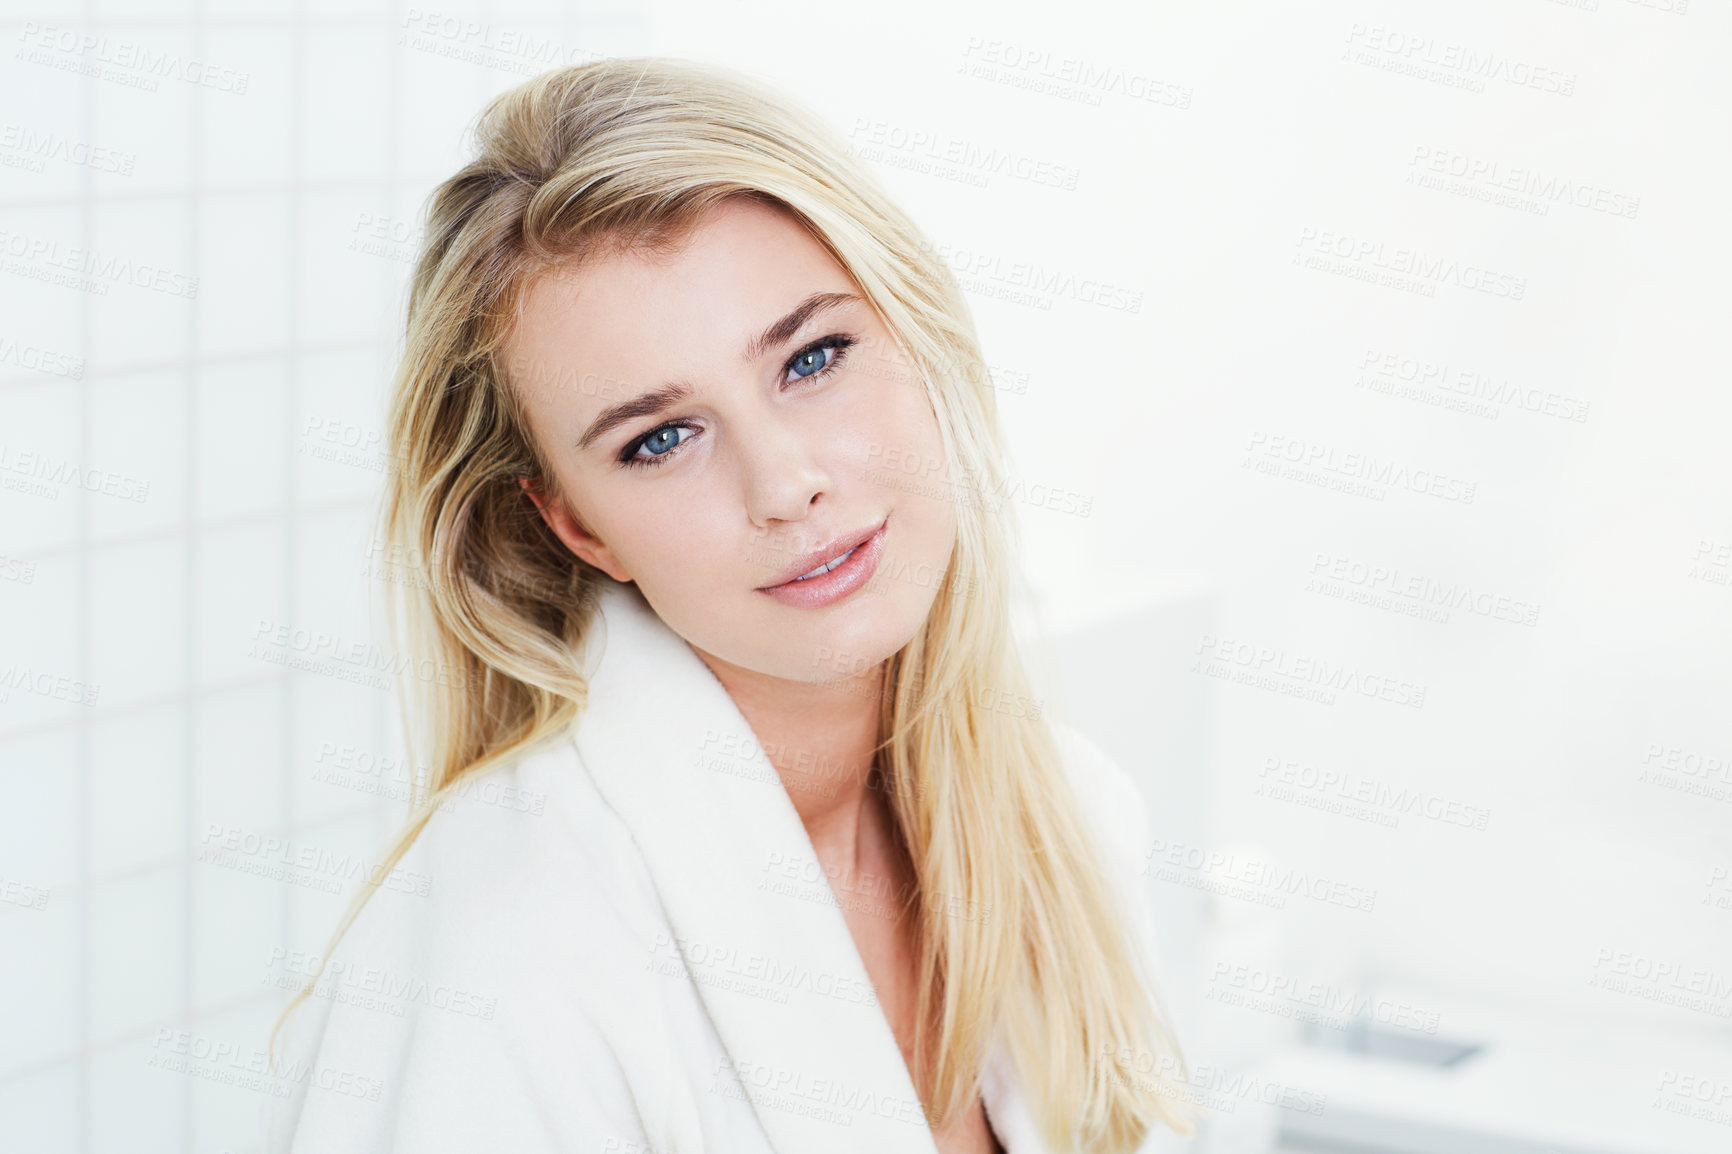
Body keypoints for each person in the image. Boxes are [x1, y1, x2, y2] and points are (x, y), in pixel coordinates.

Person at [262, 56, 1193, 1154]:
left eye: (813, 357)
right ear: (577, 524)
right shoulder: (507, 957)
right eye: (660, 438)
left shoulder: (1075, 819)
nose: (784, 481)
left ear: (917, 333)